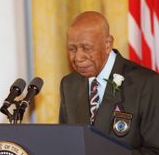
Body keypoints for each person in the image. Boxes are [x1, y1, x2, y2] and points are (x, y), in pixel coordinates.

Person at [59, 11, 159, 155]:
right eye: (72, 49)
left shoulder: (146, 83)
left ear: (107, 44)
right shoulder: (69, 85)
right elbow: (65, 144)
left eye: (86, 48)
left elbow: (155, 150)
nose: (78, 57)